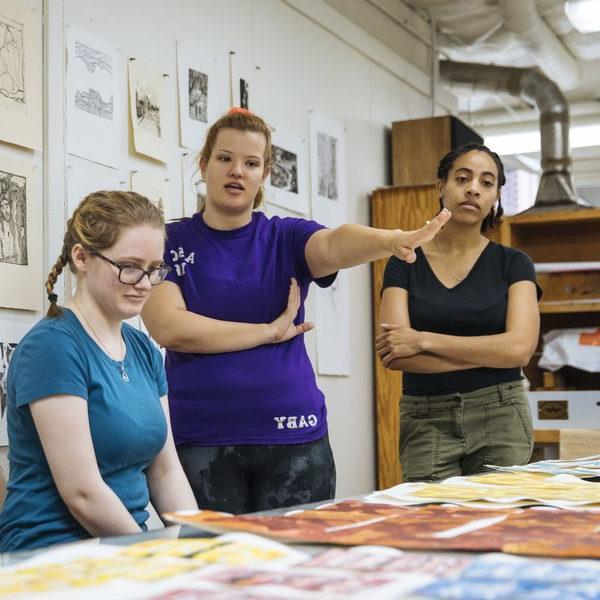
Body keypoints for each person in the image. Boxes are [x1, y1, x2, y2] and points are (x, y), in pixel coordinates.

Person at [141, 108, 450, 514]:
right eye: (225, 158)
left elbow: (335, 243)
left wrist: (390, 239)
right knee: (215, 571)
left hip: (294, 438)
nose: (237, 171)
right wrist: (268, 332)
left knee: (297, 568)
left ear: (264, 174)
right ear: (204, 164)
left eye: (251, 163)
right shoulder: (167, 240)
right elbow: (169, 327)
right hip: (200, 439)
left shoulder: (285, 237)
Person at [0, 191, 197, 551]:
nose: (144, 283)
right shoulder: (53, 347)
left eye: (154, 269)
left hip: (123, 546)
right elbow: (83, 493)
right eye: (130, 266)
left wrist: (200, 541)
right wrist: (149, 555)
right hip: (51, 548)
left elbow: (165, 471)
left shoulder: (143, 350)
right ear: (81, 257)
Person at [377, 143, 541, 482]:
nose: (473, 189)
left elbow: (520, 349)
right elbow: (395, 353)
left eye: (486, 182)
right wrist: (493, 353)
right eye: (463, 178)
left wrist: (424, 340)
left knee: (498, 528)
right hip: (426, 416)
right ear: (441, 187)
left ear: (495, 195)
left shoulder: (514, 263)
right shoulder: (405, 260)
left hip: (502, 414)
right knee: (431, 528)